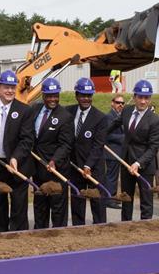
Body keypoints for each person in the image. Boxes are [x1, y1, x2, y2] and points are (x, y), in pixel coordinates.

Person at [0, 70, 35, 232]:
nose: (10, 91)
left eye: (12, 87)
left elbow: (27, 140)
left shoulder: (25, 110)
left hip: (17, 165)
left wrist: (15, 158)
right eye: (6, 87)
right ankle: (1, 234)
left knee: (19, 205)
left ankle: (18, 237)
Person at [107, 79, 159, 221]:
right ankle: (126, 228)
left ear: (150, 98)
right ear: (134, 97)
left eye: (146, 98)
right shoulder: (127, 111)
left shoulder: (154, 120)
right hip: (126, 162)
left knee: (146, 202)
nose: (143, 101)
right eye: (140, 97)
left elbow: (153, 147)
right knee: (126, 199)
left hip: (144, 166)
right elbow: (113, 125)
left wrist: (138, 163)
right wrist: (99, 136)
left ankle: (145, 230)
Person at [32, 78, 74, 229]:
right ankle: (40, 234)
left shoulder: (65, 116)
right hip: (38, 169)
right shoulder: (35, 110)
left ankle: (59, 236)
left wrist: (54, 160)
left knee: (58, 209)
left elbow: (66, 144)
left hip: (56, 169)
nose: (52, 99)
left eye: (55, 95)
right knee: (40, 206)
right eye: (49, 95)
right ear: (43, 95)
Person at [66, 78, 107, 225]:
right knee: (77, 199)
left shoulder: (101, 118)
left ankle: (100, 228)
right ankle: (78, 229)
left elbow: (98, 145)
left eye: (89, 95)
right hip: (74, 165)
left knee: (97, 201)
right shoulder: (67, 112)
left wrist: (88, 165)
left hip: (93, 167)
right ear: (76, 95)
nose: (86, 99)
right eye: (82, 95)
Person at [104, 94, 125, 209]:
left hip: (119, 151)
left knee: (115, 176)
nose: (120, 105)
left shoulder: (120, 116)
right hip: (111, 150)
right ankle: (108, 199)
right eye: (118, 102)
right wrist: (123, 138)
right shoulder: (109, 117)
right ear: (112, 103)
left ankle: (113, 197)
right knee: (111, 176)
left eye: (122, 103)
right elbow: (107, 135)